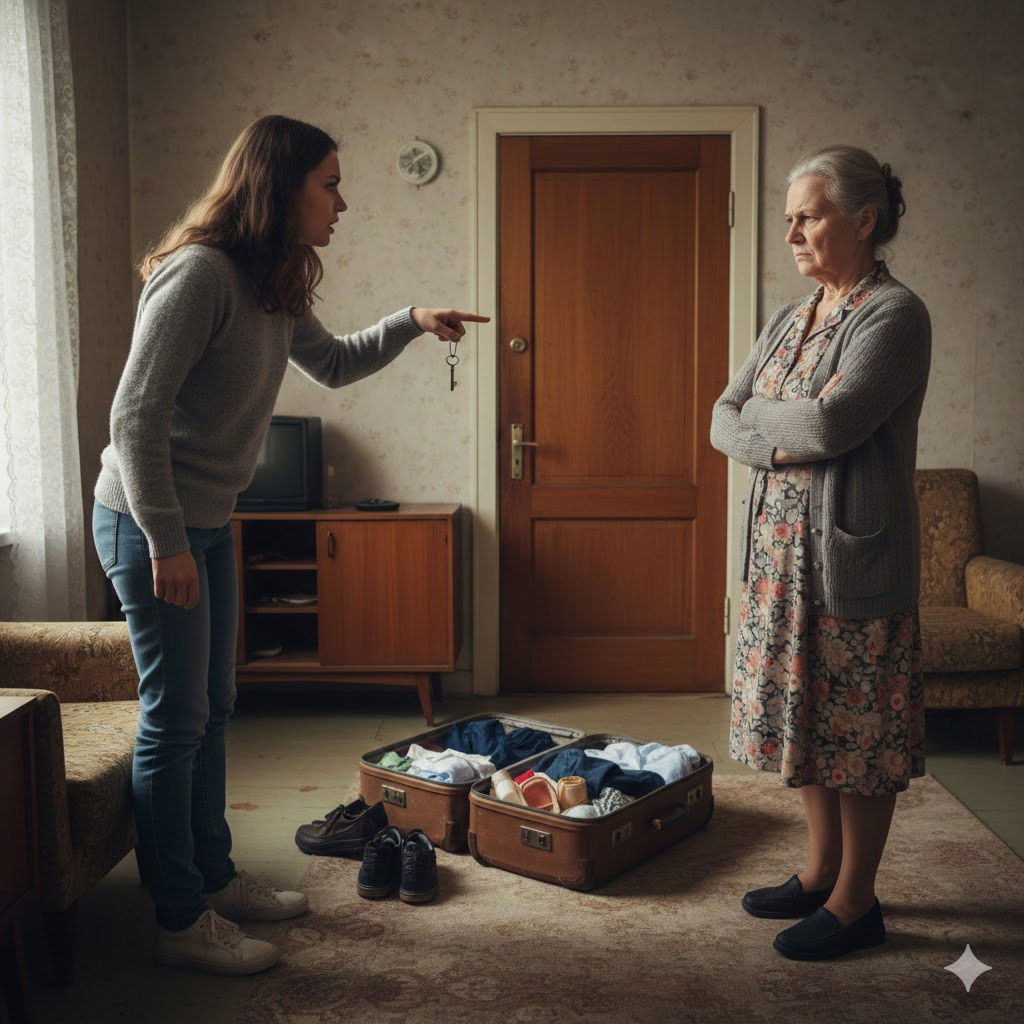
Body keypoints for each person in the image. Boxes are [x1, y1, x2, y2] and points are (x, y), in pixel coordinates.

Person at [91, 114, 489, 976]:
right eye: (331, 185)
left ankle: (215, 876)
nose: (342, 204)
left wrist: (413, 320)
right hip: (149, 522)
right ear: (281, 187)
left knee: (216, 707)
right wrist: (166, 542)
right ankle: (178, 918)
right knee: (174, 720)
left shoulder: (268, 283)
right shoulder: (199, 274)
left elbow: (335, 364)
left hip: (207, 520)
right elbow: (134, 416)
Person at [710, 145, 930, 961]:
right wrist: (780, 433)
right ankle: (818, 872)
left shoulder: (893, 316)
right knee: (804, 719)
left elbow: (834, 425)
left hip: (850, 562)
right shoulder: (789, 316)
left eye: (808, 216)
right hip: (777, 562)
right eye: (790, 218)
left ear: (863, 220)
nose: (792, 232)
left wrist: (764, 421)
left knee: (858, 734)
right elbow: (720, 416)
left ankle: (855, 900)